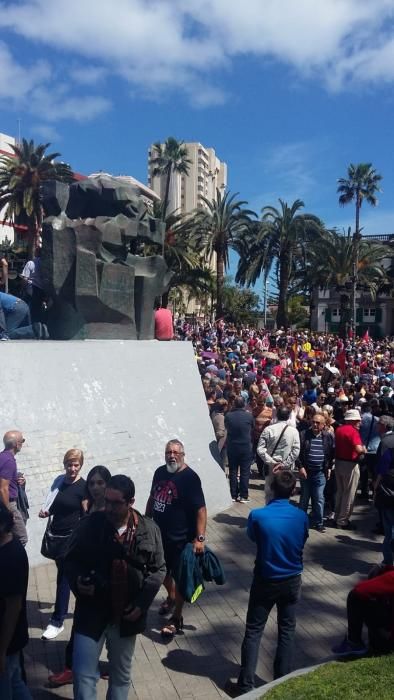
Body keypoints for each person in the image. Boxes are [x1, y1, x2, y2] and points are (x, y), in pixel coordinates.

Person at [64, 474, 166, 700]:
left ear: (130, 502)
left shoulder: (148, 529)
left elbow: (158, 569)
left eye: (115, 503)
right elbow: (69, 560)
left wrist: (142, 604)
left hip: (126, 616)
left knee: (121, 675)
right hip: (91, 613)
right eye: (106, 501)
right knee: (83, 676)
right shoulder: (90, 525)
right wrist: (79, 581)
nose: (108, 507)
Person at [226, 471, 309, 697]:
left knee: (254, 630)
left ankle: (245, 685)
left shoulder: (258, 516)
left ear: (270, 489)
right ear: (293, 491)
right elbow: (303, 538)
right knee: (286, 630)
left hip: (266, 578)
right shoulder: (301, 516)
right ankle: (281, 682)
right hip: (292, 579)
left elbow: (253, 538)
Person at [48, 465, 112, 688]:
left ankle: (107, 665)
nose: (95, 487)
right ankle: (70, 667)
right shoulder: (90, 507)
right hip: (86, 578)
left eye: (100, 483)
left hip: (105, 579)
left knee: (108, 626)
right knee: (81, 625)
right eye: (92, 483)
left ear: (108, 485)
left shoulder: (112, 511)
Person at [145, 439, 207, 638]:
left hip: (181, 540)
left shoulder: (190, 478)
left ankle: (176, 618)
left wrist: (200, 538)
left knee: (180, 579)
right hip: (158, 537)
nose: (171, 455)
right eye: (168, 452)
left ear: (182, 455)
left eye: (175, 452)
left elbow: (201, 510)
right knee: (158, 571)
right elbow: (152, 498)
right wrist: (146, 522)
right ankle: (171, 596)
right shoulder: (159, 472)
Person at [39, 448, 86, 640]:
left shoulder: (83, 487)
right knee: (70, 577)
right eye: (69, 464)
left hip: (71, 539)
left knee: (64, 577)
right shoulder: (59, 482)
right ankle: (86, 607)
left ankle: (57, 621)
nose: (72, 468)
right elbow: (54, 505)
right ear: (64, 464)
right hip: (56, 536)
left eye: (76, 465)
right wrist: (47, 512)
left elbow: (86, 515)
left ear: (80, 466)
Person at [0, 501, 31, 700]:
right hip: (11, 640)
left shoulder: (10, 556)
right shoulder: (9, 548)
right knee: (16, 683)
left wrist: (1, 650)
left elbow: (13, 607)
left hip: (6, 641)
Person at [332, 565, 394, 657]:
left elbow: (359, 590)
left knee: (354, 596)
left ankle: (354, 642)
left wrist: (375, 576)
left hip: (387, 643)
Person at [297, 412, 335, 532]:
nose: (314, 424)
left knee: (319, 498)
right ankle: (301, 522)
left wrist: (329, 468)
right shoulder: (303, 435)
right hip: (306, 472)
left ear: (323, 425)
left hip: (320, 473)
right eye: (313, 422)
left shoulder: (327, 436)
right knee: (304, 498)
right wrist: (300, 467)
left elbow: (330, 453)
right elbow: (297, 453)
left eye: (318, 423)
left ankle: (319, 523)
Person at [257, 407, 300, 504]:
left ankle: (269, 512)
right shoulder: (294, 431)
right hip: (286, 468)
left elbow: (260, 449)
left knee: (269, 493)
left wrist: (271, 461)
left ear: (276, 416)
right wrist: (284, 463)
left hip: (271, 467)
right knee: (285, 492)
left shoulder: (268, 429)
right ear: (288, 417)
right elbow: (296, 451)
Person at [332, 409, 366, 530]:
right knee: (349, 493)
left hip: (339, 462)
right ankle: (343, 520)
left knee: (341, 491)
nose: (359, 423)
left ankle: (336, 516)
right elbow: (358, 449)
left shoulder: (339, 430)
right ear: (353, 420)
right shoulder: (353, 431)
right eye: (358, 420)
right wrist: (364, 449)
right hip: (350, 465)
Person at [0, 431, 28, 546]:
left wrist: (17, 481)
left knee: (7, 537)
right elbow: (3, 489)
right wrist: (9, 512)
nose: (23, 443)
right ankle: (15, 561)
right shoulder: (9, 461)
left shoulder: (2, 457)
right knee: (22, 538)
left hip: (5, 503)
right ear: (17, 444)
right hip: (8, 504)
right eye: (22, 440)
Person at [224, 396, 254, 503]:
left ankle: (233, 494)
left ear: (234, 404)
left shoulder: (228, 416)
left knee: (233, 471)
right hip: (245, 447)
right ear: (244, 404)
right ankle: (243, 496)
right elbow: (252, 428)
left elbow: (226, 427)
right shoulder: (249, 416)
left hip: (232, 446)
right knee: (245, 472)